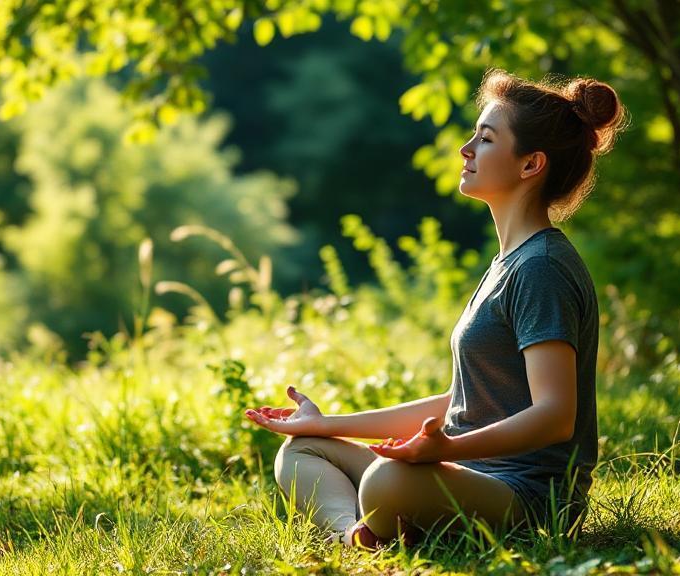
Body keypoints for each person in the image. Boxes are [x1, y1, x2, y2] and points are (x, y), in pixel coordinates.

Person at [245, 67, 627, 548]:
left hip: (529, 500)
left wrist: (447, 449)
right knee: (302, 450)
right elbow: (466, 402)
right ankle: (356, 537)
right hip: (465, 474)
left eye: (485, 139)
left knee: (385, 481)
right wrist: (326, 423)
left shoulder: (542, 268)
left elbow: (555, 415)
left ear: (531, 165)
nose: (466, 150)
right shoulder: (509, 263)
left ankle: (386, 520)